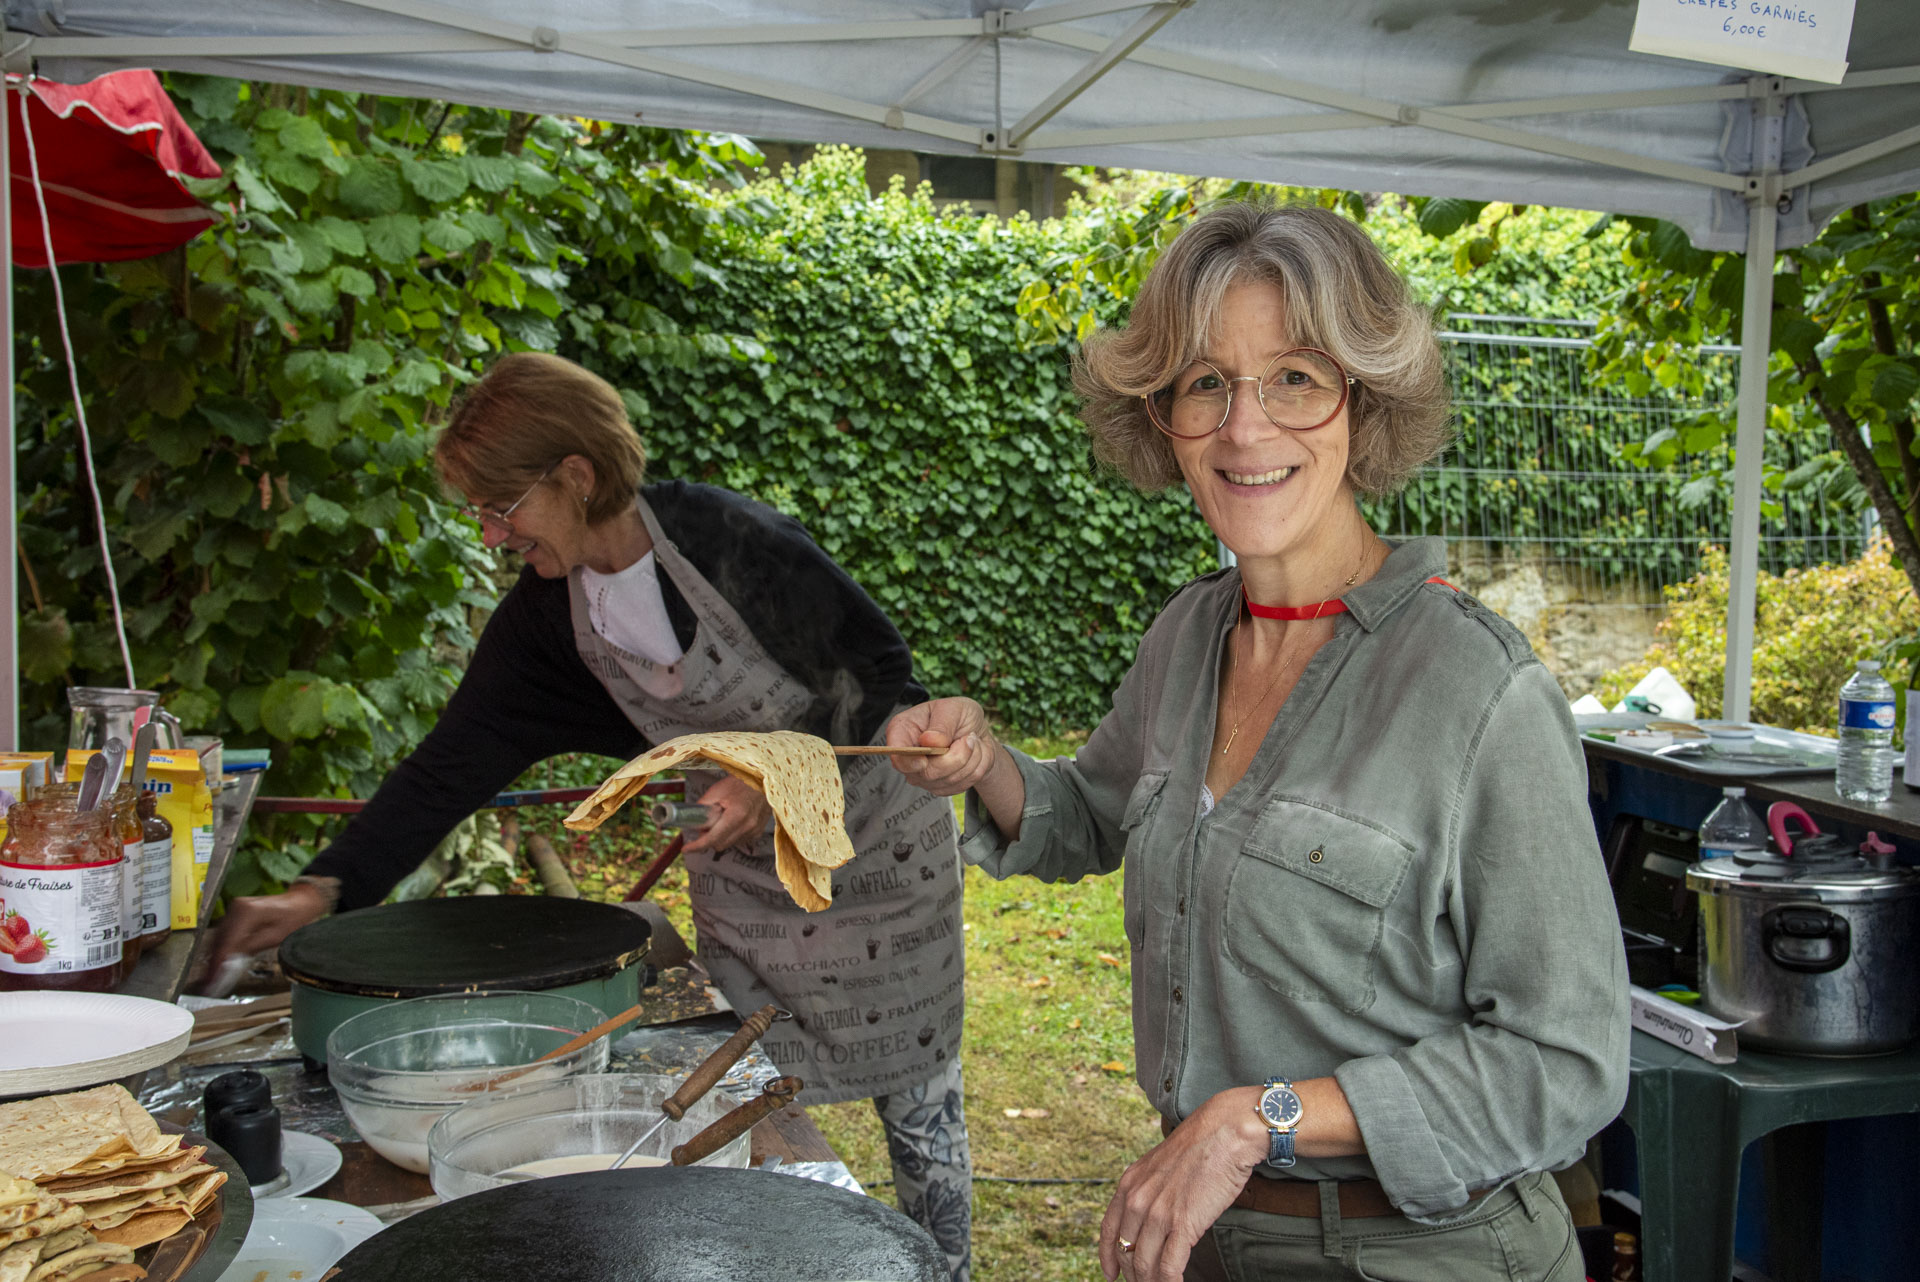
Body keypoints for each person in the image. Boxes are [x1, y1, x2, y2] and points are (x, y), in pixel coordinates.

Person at [886, 204, 1627, 1282]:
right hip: (1215, 1236)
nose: (1245, 428)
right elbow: (1090, 814)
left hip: (1427, 1250)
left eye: (1294, 377)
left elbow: (1566, 1061)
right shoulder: (1190, 633)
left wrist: (1258, 1121)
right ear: (1165, 418)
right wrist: (984, 760)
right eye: (1204, 383)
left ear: (1362, 402)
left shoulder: (1480, 689)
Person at [212, 353, 973, 1279]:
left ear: (575, 476)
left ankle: (947, 1265)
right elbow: (454, 759)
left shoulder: (732, 540)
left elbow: (876, 669)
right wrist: (325, 887)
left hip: (877, 849)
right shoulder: (547, 624)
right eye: (481, 514)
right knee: (759, 1104)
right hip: (742, 875)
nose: (494, 536)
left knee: (918, 1102)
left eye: (503, 508)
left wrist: (772, 776)